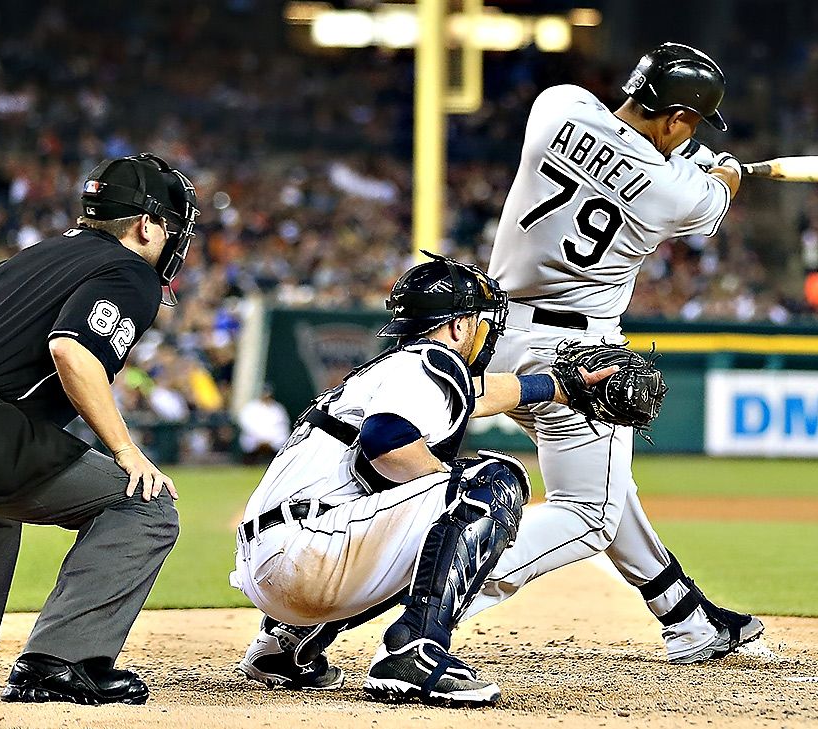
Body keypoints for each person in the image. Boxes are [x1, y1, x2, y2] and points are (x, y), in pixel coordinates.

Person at [465, 41, 764, 662]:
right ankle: (437, 587)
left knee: (605, 483)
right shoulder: (674, 191)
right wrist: (726, 171)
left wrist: (686, 150)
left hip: (491, 337)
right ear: (679, 120)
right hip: (580, 359)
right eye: (690, 122)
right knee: (590, 511)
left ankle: (685, 614)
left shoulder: (555, 107)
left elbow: (622, 134)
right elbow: (711, 196)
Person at [230, 254, 615, 706]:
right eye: (480, 321)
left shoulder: (396, 370)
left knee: (432, 520)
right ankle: (414, 650)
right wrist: (453, 494)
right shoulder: (430, 362)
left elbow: (481, 394)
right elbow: (386, 440)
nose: (486, 331)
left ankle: (285, 645)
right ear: (456, 327)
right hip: (310, 550)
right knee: (491, 483)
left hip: (274, 566)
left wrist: (559, 386)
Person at [0, 153, 198, 704]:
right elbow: (73, 348)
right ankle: (61, 663)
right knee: (145, 507)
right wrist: (125, 448)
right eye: (173, 227)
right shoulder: (132, 271)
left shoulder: (36, 255)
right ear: (146, 225)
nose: (175, 240)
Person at [237, 385, 291, 465]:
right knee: (247, 440)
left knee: (282, 439)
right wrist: (261, 439)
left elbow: (283, 426)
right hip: (255, 438)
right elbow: (245, 424)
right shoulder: (251, 407)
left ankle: (278, 463)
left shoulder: (278, 408)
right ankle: (249, 463)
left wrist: (269, 440)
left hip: (273, 439)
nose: (266, 396)